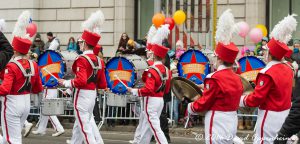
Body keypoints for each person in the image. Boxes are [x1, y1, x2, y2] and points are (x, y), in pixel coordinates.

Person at [187, 9, 243, 144]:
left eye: (215, 57)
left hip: (217, 119)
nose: (213, 59)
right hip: (232, 119)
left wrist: (191, 107)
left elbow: (206, 101)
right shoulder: (236, 77)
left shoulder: (214, 77)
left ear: (219, 58)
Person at [240, 14, 297, 144]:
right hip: (285, 115)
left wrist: (241, 99)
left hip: (269, 117)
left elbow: (257, 99)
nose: (265, 53)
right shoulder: (289, 68)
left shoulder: (267, 72)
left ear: (271, 53)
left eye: (266, 51)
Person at [58, 10, 106, 144]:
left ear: (85, 43)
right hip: (92, 95)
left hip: (82, 96)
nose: (79, 44)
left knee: (85, 129)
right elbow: (102, 84)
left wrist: (66, 83)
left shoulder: (82, 59)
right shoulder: (99, 60)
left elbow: (81, 81)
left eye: (80, 42)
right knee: (79, 126)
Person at [0, 11, 43, 143]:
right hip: (26, 104)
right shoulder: (33, 65)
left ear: (15, 50)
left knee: (12, 139)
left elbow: (5, 89)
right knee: (10, 138)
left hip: (12, 103)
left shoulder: (11, 66)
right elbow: (37, 87)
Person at [127, 24, 171, 144]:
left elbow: (149, 89)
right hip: (160, 99)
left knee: (155, 129)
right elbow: (167, 89)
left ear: (154, 54)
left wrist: (134, 91)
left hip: (151, 100)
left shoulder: (152, 70)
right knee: (147, 128)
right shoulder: (166, 70)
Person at [129, 24, 157, 144]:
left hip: (149, 94)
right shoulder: (148, 62)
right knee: (143, 118)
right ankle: (138, 139)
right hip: (147, 93)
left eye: (148, 51)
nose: (146, 53)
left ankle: (142, 140)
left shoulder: (149, 63)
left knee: (147, 120)